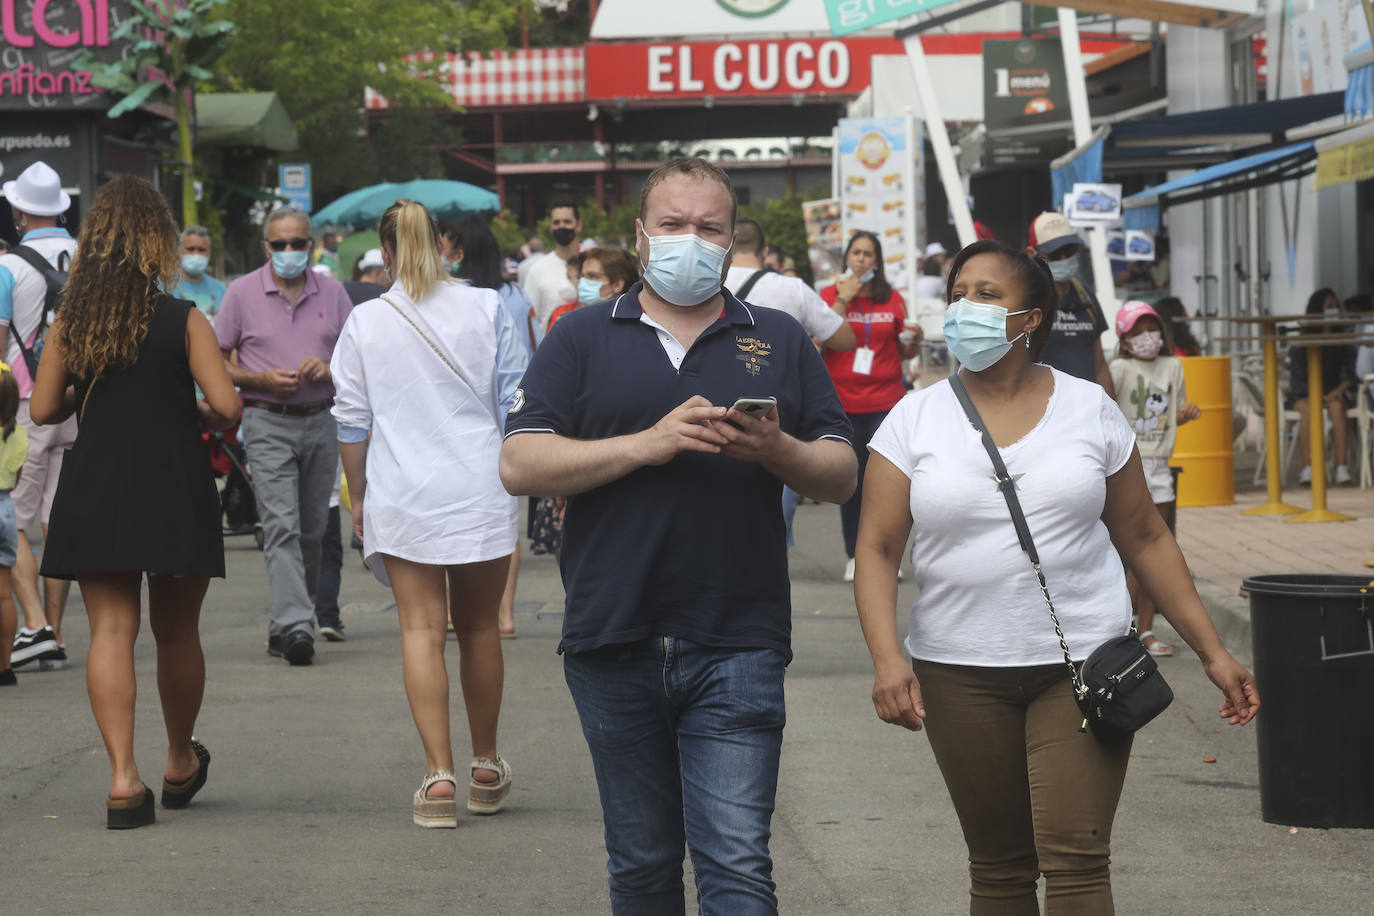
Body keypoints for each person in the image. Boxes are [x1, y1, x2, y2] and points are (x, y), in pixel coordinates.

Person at [854, 239, 1259, 914]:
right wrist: (887, 659)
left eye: (988, 295)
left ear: (1032, 317)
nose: (966, 308)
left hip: (1083, 664)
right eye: (958, 294)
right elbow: (877, 549)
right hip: (958, 669)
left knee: (1075, 861)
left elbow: (1147, 535)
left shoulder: (1089, 408)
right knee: (1000, 868)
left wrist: (1211, 650)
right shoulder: (913, 417)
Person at [501, 157, 857, 915]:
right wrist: (645, 443)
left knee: (735, 866)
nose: (689, 240)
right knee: (642, 866)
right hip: (611, 635)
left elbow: (840, 473)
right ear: (640, 235)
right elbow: (519, 462)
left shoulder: (780, 337)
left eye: (708, 227)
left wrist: (779, 451)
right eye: (672, 225)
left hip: (739, 637)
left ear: (732, 241)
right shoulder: (583, 336)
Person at [31, 175, 241, 829]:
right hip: (174, 485)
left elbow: (41, 409)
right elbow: (228, 407)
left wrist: (91, 393)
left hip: (97, 486)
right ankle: (179, 759)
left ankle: (124, 780)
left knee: (111, 631)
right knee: (177, 631)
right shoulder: (184, 318)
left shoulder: (72, 322)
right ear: (159, 244)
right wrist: (180, 401)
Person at [332, 198, 525, 827]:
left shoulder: (365, 321)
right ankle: (487, 764)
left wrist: (359, 497)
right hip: (480, 485)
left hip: (402, 491)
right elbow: (516, 397)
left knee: (420, 630)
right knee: (478, 629)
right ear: (444, 246)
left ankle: (438, 777)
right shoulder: (490, 305)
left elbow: (352, 422)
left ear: (384, 253)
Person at [215, 206, 354, 666]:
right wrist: (257, 379)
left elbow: (358, 362)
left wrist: (330, 367)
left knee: (314, 531)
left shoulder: (333, 294)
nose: (290, 252)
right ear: (266, 247)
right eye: (281, 244)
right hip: (265, 419)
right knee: (281, 527)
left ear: (311, 245)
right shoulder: (241, 293)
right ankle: (297, 626)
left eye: (298, 243)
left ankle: (287, 623)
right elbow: (215, 360)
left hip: (321, 418)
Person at [727, 218, 856, 548]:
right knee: (773, 508)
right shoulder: (790, 288)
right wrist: (842, 300)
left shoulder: (708, 284)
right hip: (778, 418)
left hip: (714, 412)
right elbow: (843, 338)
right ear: (765, 252)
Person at [0, 160, 79, 671]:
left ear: (18, 209)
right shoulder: (87, 257)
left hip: (25, 405)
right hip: (74, 402)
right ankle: (54, 633)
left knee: (17, 521)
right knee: (58, 519)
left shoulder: (8, 267)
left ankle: (37, 629)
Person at [820, 231, 920, 582]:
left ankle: (887, 555)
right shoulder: (830, 295)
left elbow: (906, 350)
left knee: (886, 485)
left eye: (869, 254)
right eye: (857, 253)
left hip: (885, 402)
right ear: (848, 258)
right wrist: (843, 301)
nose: (862, 259)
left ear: (877, 261)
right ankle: (854, 555)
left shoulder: (892, 298)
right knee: (853, 484)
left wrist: (914, 342)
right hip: (843, 403)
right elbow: (818, 342)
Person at [453, 215, 537, 637]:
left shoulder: (458, 301)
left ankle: (460, 610)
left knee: (461, 519)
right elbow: (528, 350)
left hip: (464, 421)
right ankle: (503, 613)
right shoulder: (512, 294)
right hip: (509, 415)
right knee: (504, 522)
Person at [1110, 301, 1202, 657]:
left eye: (1152, 329)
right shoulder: (1118, 368)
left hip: (1160, 465)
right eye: (1137, 332)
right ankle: (1119, 628)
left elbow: (1174, 413)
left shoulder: (1174, 365)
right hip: (1127, 464)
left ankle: (1144, 629)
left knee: (1154, 549)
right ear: (1125, 340)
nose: (1147, 337)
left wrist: (1186, 414)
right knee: (1134, 552)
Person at [1027, 211, 1115, 396]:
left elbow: (1100, 366)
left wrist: (1111, 413)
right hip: (1043, 411)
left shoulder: (1086, 296)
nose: (1064, 259)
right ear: (1031, 253)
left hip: (1086, 411)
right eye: (1054, 254)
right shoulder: (1025, 299)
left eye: (1070, 251)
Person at [1288, 287, 1357, 487]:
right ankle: (1308, 467)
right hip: (1305, 393)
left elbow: (1351, 373)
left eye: (1335, 306)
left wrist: (1339, 390)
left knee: (1337, 408)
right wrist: (1314, 394)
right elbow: (1297, 378)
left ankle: (1341, 467)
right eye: (1328, 306)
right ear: (1318, 309)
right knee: (1310, 410)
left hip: (1334, 392)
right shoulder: (1302, 342)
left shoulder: (1342, 340)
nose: (1333, 310)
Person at [0, 365, 26, 686]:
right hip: (6, 509)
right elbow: (16, 478)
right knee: (4, 596)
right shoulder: (19, 436)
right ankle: (5, 665)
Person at [524, 201, 581, 338]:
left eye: (567, 222)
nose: (561, 226)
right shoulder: (538, 269)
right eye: (556, 222)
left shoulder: (593, 263)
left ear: (578, 225)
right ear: (550, 227)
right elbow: (530, 317)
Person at [167, 226, 228, 318]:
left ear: (209, 253)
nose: (196, 254)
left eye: (202, 250)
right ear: (178, 251)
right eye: (190, 249)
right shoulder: (165, 286)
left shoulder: (221, 289)